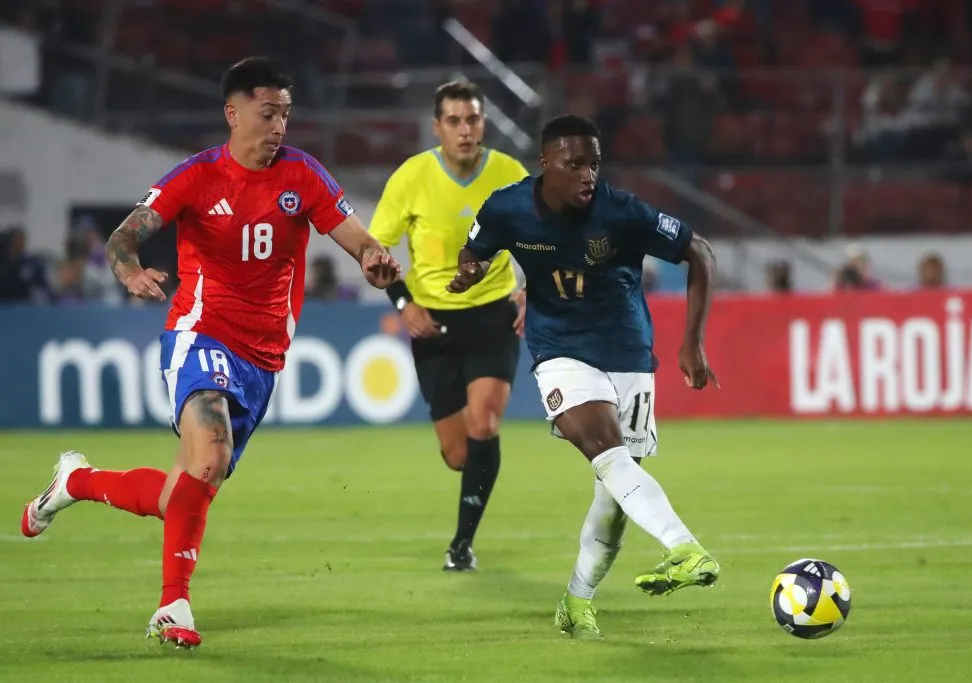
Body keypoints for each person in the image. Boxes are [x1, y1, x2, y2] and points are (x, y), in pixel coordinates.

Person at [19, 57, 400, 649]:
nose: (279, 126)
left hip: (264, 357)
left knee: (182, 492)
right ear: (233, 113)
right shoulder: (196, 177)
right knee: (211, 450)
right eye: (267, 113)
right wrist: (128, 270)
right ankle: (174, 606)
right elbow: (125, 235)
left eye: (286, 114)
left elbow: (357, 238)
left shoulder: (304, 175)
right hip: (201, 334)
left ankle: (77, 482)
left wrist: (374, 259)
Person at [447, 114, 720, 639]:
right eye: (574, 164)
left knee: (613, 495)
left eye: (594, 163)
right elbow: (475, 248)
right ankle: (685, 548)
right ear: (545, 164)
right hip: (560, 350)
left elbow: (699, 252)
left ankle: (576, 601)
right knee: (605, 450)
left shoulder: (621, 211)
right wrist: (469, 270)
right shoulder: (507, 206)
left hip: (629, 352)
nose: (587, 175)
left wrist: (692, 341)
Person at [369, 81, 528, 572]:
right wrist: (403, 302)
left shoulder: (510, 174)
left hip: (492, 315)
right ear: (437, 127)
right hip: (432, 323)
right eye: (455, 121)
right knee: (459, 455)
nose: (465, 129)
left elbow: (545, 235)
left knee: (486, 421)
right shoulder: (411, 177)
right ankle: (464, 529)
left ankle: (461, 545)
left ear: (484, 123)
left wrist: (533, 287)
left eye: (474, 119)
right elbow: (376, 252)